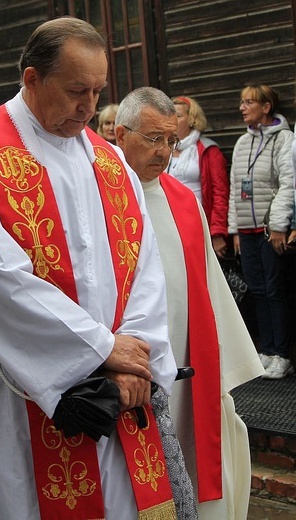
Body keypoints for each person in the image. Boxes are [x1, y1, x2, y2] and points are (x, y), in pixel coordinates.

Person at [0, 18, 187, 520]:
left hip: (114, 399)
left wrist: (134, 359)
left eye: (99, 91)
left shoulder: (111, 163)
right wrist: (102, 350)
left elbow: (145, 269)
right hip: (17, 404)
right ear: (32, 79)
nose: (89, 106)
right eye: (76, 90)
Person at [116, 86, 264, 519]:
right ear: (121, 135)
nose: (164, 152)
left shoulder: (182, 199)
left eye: (170, 140)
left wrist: (224, 365)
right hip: (129, 360)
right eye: (152, 139)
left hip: (184, 358)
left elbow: (208, 284)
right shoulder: (99, 192)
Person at [228, 85, 295, 379]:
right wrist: (234, 230)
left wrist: (280, 225)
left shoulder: (284, 139)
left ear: (266, 107)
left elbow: (288, 184)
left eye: (249, 102)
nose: (243, 107)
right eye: (241, 102)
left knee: (274, 290)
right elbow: (234, 189)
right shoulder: (243, 142)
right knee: (256, 291)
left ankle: (282, 354)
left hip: (270, 230)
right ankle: (265, 350)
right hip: (247, 230)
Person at [169, 96, 230, 257]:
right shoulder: (164, 148)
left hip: (198, 223)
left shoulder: (208, 150)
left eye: (178, 115)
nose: (173, 120)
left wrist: (217, 232)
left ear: (192, 119)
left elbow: (220, 193)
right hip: (169, 222)